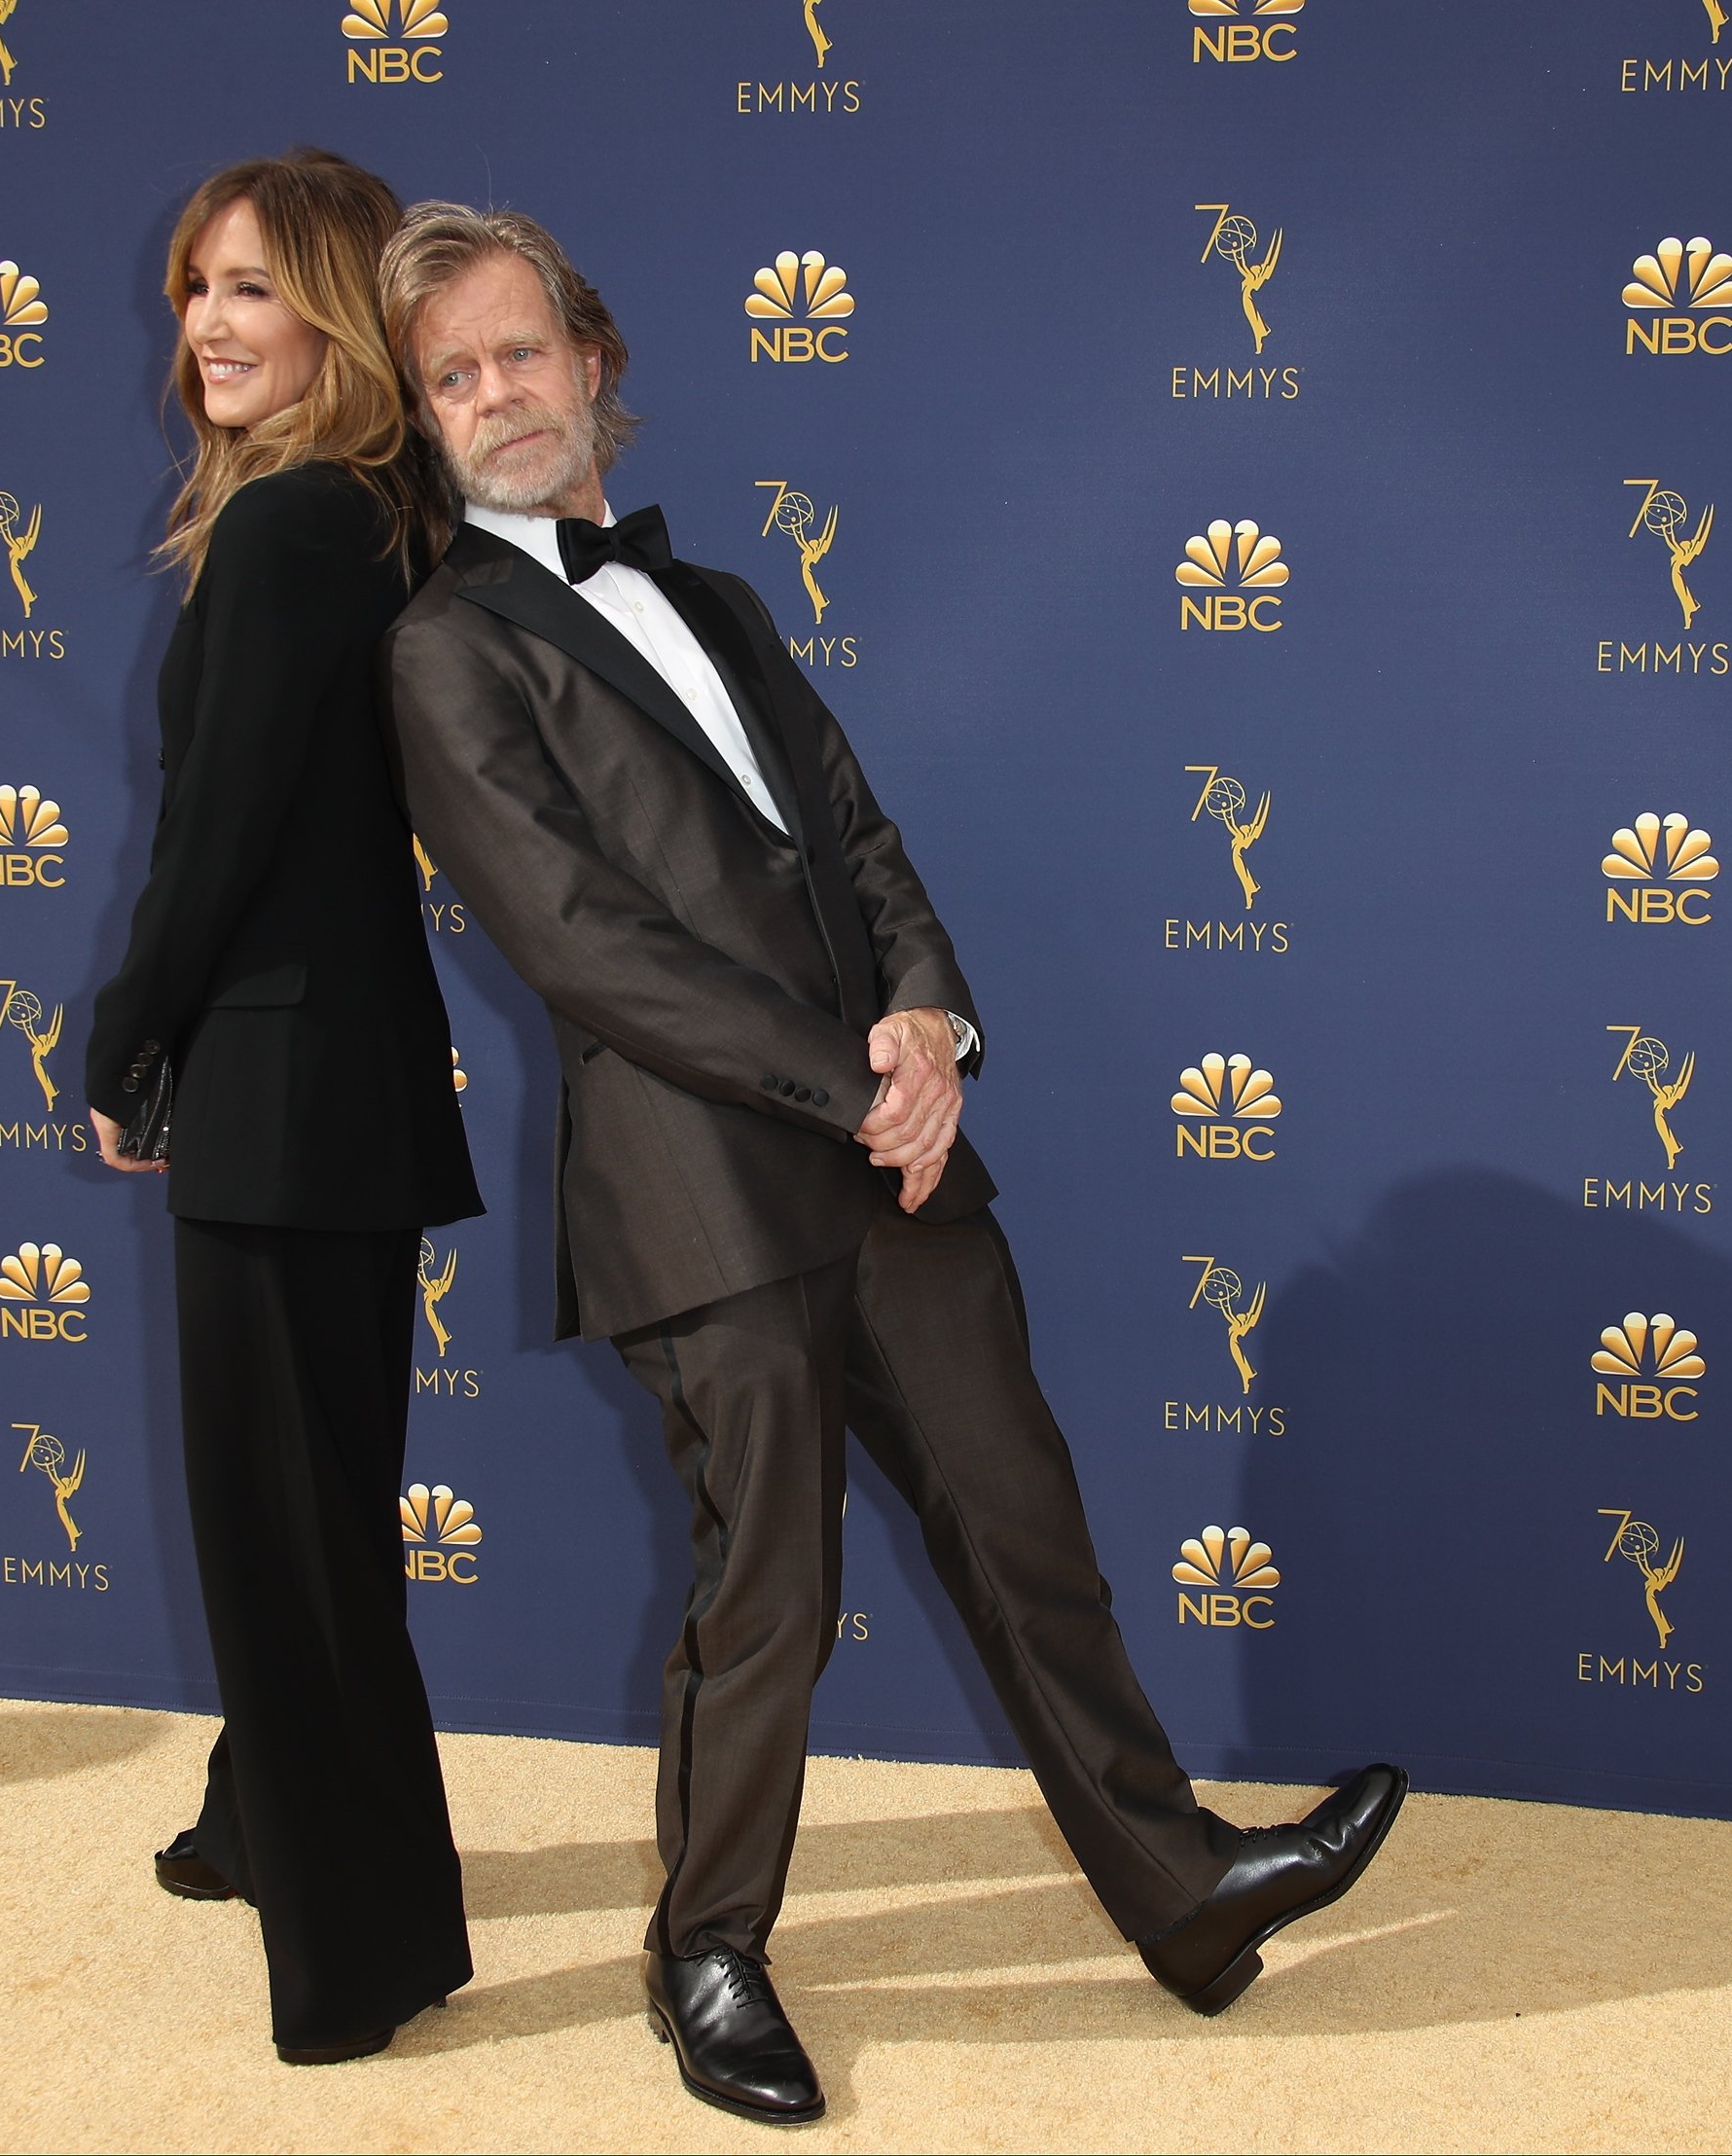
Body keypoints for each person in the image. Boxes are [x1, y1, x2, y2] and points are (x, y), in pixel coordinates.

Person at [377, 204, 1407, 2128]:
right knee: (763, 1588)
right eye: (453, 378)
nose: (496, 395)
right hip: (699, 1185)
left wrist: (929, 1027)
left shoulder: (730, 603)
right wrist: (848, 1086)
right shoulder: (444, 649)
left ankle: (1180, 1891)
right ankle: (708, 1954)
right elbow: (581, 940)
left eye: (520, 353)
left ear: (593, 359)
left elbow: (854, 837)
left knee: (1027, 1526)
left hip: (899, 1154)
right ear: (426, 422)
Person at [83, 149, 481, 2066]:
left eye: (250, 289)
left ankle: (370, 1944)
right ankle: (271, 1819)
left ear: (333, 313)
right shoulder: (389, 515)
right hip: (356, 1081)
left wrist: (126, 1033)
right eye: (191, 291)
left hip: (276, 1078)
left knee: (285, 1525)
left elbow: (221, 828)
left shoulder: (288, 529)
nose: (207, 330)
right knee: (317, 1502)